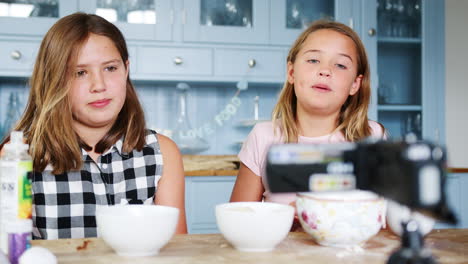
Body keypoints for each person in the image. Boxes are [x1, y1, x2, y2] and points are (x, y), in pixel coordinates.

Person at [0, 13, 187, 239]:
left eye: (110, 68)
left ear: (126, 69)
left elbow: (177, 251)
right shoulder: (19, 157)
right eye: (80, 73)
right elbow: (10, 250)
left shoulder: (162, 153)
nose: (99, 85)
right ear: (54, 80)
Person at [230, 20, 386, 206]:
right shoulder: (263, 136)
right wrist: (288, 216)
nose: (325, 71)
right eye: (313, 60)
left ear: (355, 84)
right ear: (291, 72)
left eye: (340, 65)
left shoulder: (372, 137)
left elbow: (385, 219)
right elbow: (241, 218)